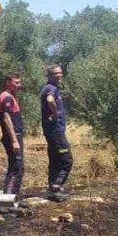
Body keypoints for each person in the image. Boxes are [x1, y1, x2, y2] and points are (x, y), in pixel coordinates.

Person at [41, 65, 72, 201]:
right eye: (56, 73)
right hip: (55, 132)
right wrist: (55, 113)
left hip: (53, 131)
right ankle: (55, 187)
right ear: (49, 76)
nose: (59, 75)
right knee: (66, 159)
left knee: (55, 159)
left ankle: (53, 188)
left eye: (60, 72)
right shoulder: (51, 88)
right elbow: (49, 100)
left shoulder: (50, 88)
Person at [0, 73, 24, 198]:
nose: (19, 85)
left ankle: (14, 198)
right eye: (16, 82)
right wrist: (14, 140)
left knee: (18, 167)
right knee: (15, 167)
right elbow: (6, 119)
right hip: (13, 136)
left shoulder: (10, 96)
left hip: (16, 135)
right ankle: (8, 200)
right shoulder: (6, 97)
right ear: (8, 82)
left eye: (19, 82)